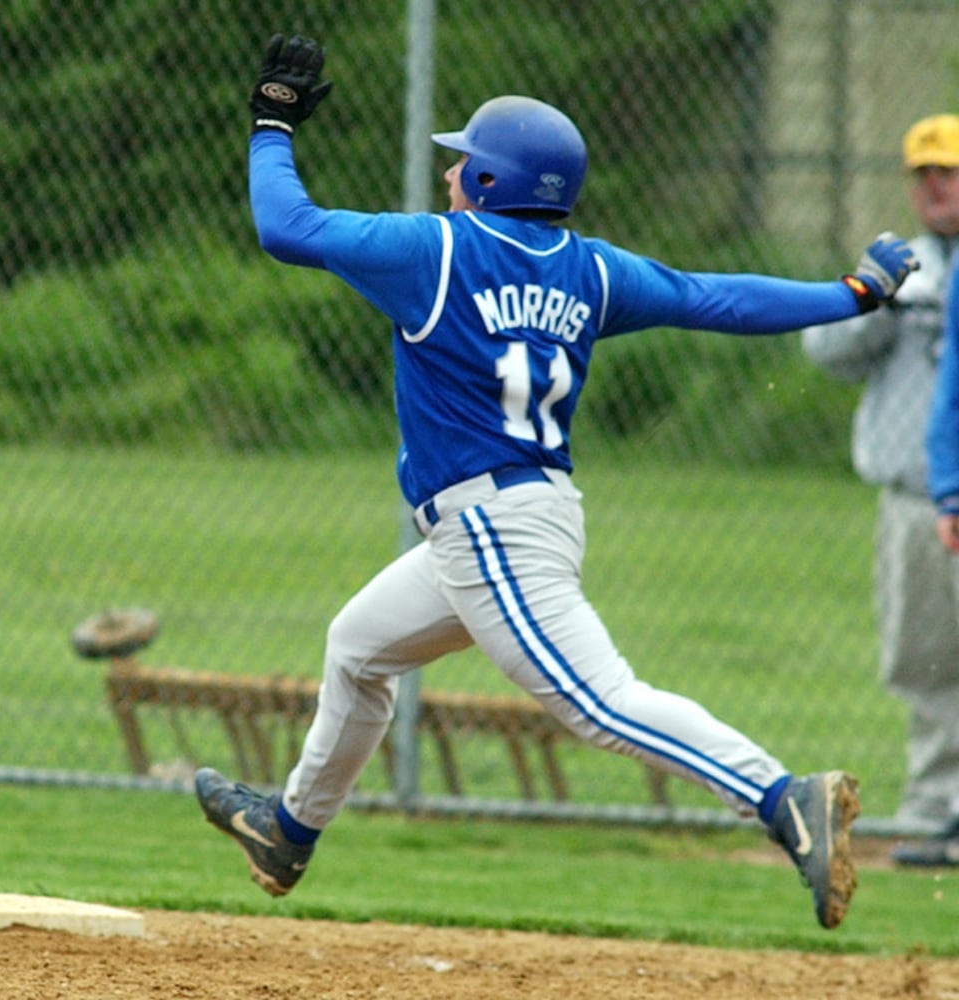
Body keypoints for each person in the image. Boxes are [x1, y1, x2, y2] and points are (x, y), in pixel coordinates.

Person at [194, 33, 918, 931]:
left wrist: (271, 126)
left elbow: (284, 227)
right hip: (514, 518)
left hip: (492, 527)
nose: (451, 176)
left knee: (599, 702)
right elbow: (714, 297)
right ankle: (288, 831)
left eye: (464, 165)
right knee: (358, 648)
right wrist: (849, 292)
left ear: (491, 184)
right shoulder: (592, 271)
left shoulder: (436, 252)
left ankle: (779, 798)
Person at [804, 114, 959, 866]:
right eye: (923, 174)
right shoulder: (905, 265)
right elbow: (825, 352)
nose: (934, 186)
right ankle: (936, 813)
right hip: (911, 496)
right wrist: (878, 300)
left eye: (949, 172)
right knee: (925, 656)